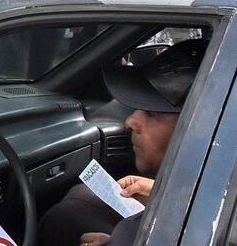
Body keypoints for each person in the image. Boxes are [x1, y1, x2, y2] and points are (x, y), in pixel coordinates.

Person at [62, 39, 208, 246]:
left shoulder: (133, 232)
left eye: (150, 113)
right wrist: (166, 196)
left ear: (200, 127)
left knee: (66, 216)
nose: (130, 121)